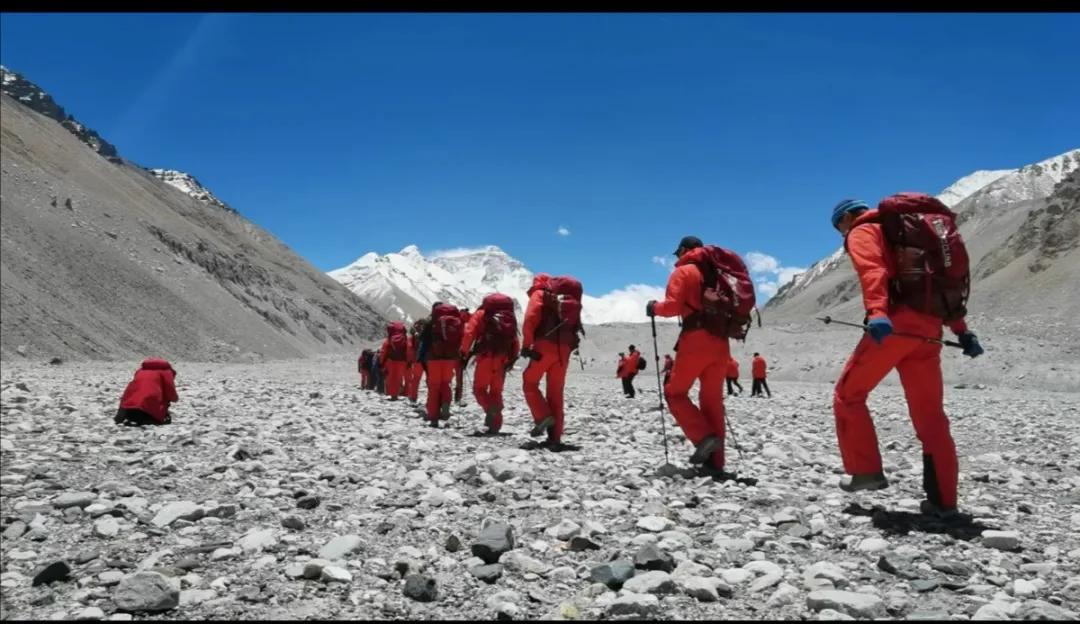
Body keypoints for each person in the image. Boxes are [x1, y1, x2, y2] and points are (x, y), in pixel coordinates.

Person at [830, 196, 984, 519]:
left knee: (848, 394)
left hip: (895, 327)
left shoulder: (863, 231)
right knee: (931, 418)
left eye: (838, 227)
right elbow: (944, 286)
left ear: (846, 218)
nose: (840, 232)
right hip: (930, 331)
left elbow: (873, 271)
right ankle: (944, 502)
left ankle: (865, 471)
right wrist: (961, 330)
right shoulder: (916, 233)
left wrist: (877, 313)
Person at [646, 236, 732, 478]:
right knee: (712, 402)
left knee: (675, 392)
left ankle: (703, 437)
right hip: (721, 342)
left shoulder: (684, 271)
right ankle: (715, 463)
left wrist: (654, 308)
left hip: (696, 340)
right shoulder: (718, 274)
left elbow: (673, 306)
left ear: (684, 250)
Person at [521, 273, 583, 448]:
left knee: (529, 382)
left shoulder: (540, 294)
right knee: (556, 391)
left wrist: (526, 344)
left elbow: (530, 319)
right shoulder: (568, 299)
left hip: (544, 346)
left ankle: (542, 416)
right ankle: (555, 437)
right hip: (564, 349)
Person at [461, 293, 520, 435]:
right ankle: (496, 425)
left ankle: (490, 410)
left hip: (485, 357)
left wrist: (464, 352)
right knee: (496, 391)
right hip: (503, 358)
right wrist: (512, 358)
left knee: (479, 389)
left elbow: (469, 332)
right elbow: (515, 339)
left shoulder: (481, 314)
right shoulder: (510, 316)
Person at [417, 302, 464, 427]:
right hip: (451, 358)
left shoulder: (431, 322)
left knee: (434, 386)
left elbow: (423, 341)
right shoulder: (457, 322)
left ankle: (433, 416)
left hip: (433, 358)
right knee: (445, 383)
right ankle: (445, 405)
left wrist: (421, 357)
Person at [115, 358, 178, 426]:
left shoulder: (141, 371)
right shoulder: (166, 372)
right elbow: (170, 391)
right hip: (148, 409)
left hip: (128, 408)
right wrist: (174, 399)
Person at [379, 321, 409, 401]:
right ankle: (401, 393)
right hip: (402, 361)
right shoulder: (405, 338)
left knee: (391, 378)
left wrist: (381, 362)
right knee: (399, 378)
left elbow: (383, 351)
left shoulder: (389, 339)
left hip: (391, 361)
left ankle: (393, 395)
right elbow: (408, 350)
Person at [454, 307, 472, 404]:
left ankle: (443, 399)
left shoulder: (453, 323)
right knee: (459, 377)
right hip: (460, 354)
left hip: (448, 353)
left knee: (445, 377)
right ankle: (458, 398)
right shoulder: (467, 325)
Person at [405, 320, 424, 404]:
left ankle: (413, 397)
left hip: (418, 360)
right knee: (432, 381)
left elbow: (409, 349)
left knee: (416, 379)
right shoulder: (429, 333)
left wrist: (409, 361)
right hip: (430, 360)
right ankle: (434, 400)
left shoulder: (412, 338)